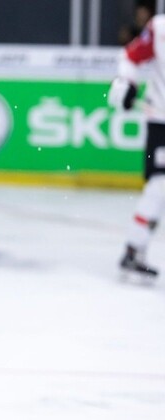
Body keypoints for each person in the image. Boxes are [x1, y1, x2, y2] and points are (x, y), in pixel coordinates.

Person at [108, 13, 165, 278]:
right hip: (161, 123)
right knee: (160, 185)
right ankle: (134, 248)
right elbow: (129, 57)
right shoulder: (160, 28)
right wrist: (127, 83)